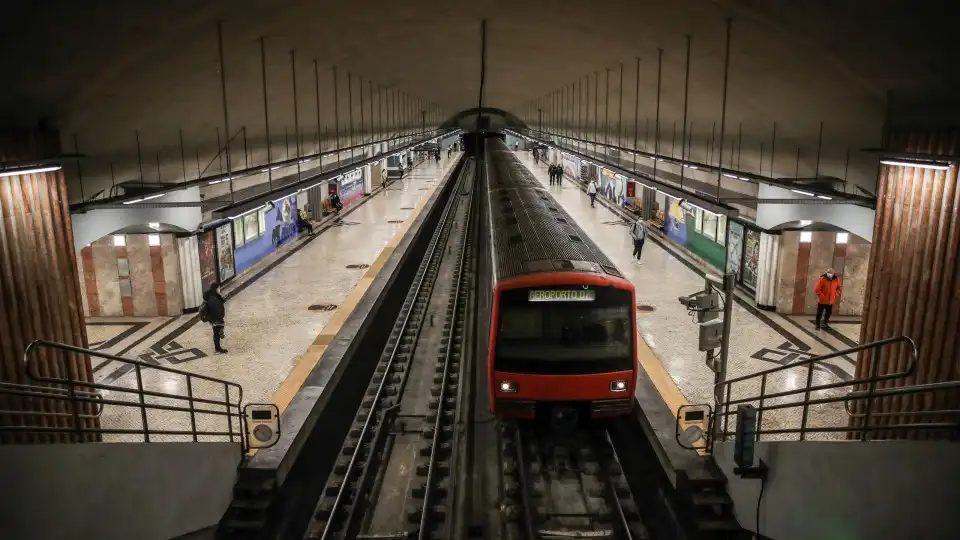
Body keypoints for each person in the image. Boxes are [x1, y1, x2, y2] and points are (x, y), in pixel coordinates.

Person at [202, 283, 228, 354]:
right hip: (216, 318)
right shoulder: (213, 298)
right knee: (216, 334)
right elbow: (217, 308)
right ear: (215, 289)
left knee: (216, 333)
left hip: (213, 319)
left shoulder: (211, 296)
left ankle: (218, 348)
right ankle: (217, 349)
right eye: (218, 288)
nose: (219, 289)